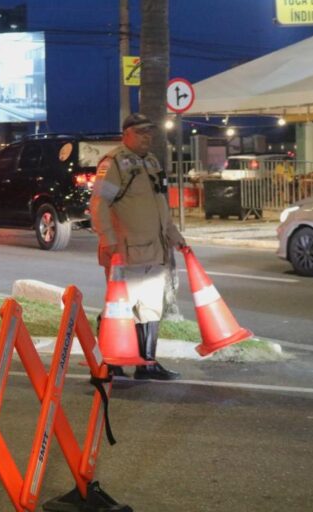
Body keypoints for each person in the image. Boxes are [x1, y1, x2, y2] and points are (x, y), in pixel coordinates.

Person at [90, 113, 187, 381]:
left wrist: (174, 235)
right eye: (142, 132)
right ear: (127, 133)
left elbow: (160, 206)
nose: (148, 137)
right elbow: (99, 204)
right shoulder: (114, 164)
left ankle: (147, 364)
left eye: (150, 132)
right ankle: (109, 363)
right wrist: (108, 239)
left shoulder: (151, 162)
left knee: (150, 307)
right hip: (125, 251)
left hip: (153, 250)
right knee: (119, 307)